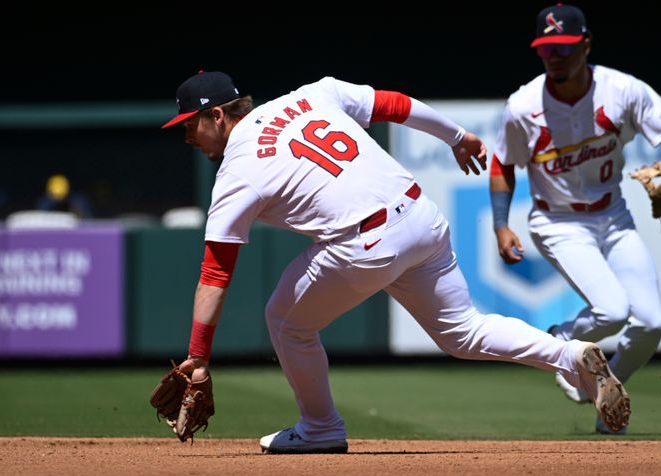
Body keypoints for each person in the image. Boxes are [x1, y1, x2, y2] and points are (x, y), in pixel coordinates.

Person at [162, 70, 630, 453]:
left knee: (285, 321)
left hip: (366, 243)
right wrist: (458, 136)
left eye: (189, 124)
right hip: (420, 216)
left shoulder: (237, 169)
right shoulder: (311, 95)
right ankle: (571, 355)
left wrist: (198, 357)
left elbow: (216, 272)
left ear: (218, 115)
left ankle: (321, 427)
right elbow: (393, 104)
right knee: (464, 331)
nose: (186, 136)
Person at [489, 3, 661, 434]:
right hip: (558, 223)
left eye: (565, 47)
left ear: (586, 45)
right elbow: (502, 164)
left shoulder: (623, 91)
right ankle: (561, 339)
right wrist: (500, 224)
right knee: (611, 310)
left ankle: (605, 405)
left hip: (613, 215)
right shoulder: (523, 106)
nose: (556, 56)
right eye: (547, 48)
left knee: (651, 323)